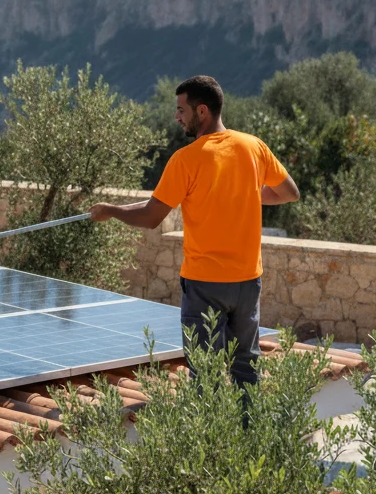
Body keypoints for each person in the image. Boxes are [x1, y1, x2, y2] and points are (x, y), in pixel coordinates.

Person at [89, 75, 300, 387]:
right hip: (247, 281)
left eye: (181, 110)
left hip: (205, 284)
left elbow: (151, 217)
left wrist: (111, 211)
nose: (176, 117)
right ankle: (249, 419)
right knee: (246, 370)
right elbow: (289, 193)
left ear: (202, 111)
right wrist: (244, 193)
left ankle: (212, 421)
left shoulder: (186, 160)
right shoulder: (253, 147)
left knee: (206, 374)